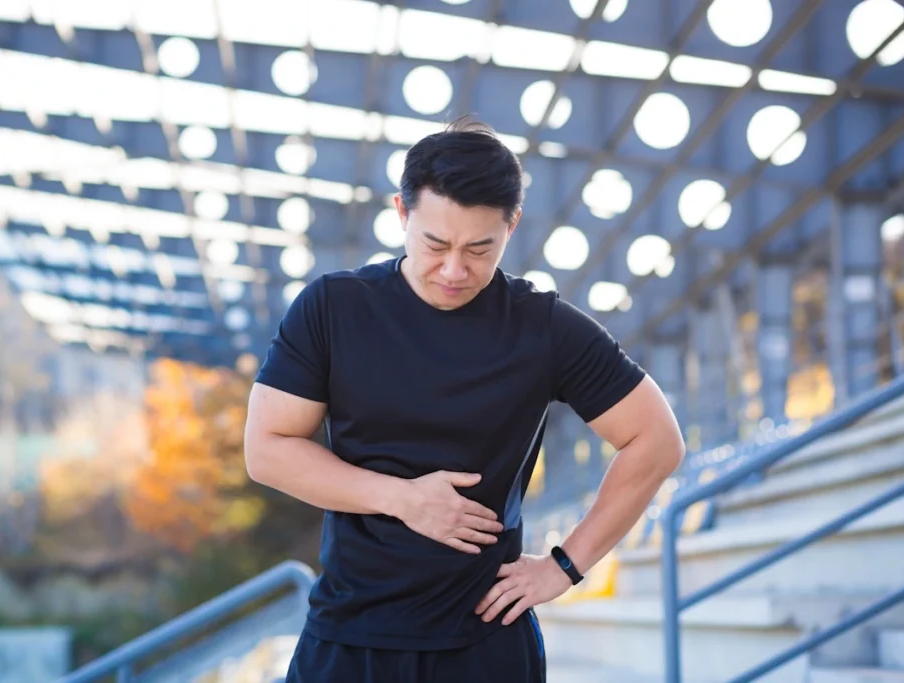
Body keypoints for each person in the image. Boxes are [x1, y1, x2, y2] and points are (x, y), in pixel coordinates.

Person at [244, 116, 685, 682]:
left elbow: (656, 441)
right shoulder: (334, 307)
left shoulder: (543, 327)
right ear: (402, 214)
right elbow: (267, 449)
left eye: (481, 248)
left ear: (511, 226)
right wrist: (402, 498)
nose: (455, 270)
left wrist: (564, 566)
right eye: (436, 243)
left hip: (485, 646)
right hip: (350, 638)